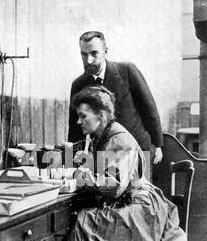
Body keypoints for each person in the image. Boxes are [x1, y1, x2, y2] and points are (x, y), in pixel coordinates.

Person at [20, 86, 187, 241]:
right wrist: (85, 164)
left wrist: (85, 174)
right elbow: (109, 173)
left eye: (83, 116)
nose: (78, 121)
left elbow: (114, 188)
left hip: (141, 211)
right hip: (133, 205)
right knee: (85, 220)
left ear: (101, 115)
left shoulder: (118, 139)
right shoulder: (106, 136)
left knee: (85, 225)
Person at [68, 31, 164, 166]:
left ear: (105, 51)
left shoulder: (127, 70)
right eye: (84, 54)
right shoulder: (78, 85)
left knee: (137, 187)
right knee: (106, 186)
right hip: (106, 153)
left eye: (94, 53)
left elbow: (148, 107)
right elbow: (75, 127)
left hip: (137, 148)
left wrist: (158, 145)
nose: (88, 60)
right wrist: (70, 160)